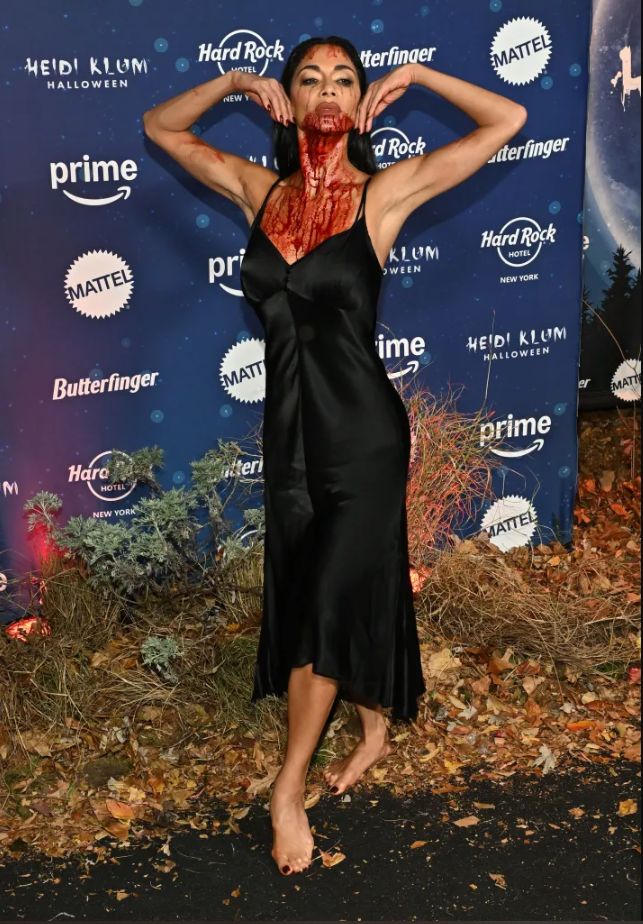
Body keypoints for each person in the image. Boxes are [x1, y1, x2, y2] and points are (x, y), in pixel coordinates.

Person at [143, 35, 527, 877]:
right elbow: (161, 127)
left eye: (343, 81)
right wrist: (232, 79)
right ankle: (373, 725)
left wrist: (419, 74)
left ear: (360, 105)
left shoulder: (383, 195)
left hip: (362, 437)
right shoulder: (259, 190)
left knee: (324, 603)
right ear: (284, 100)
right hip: (289, 437)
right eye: (308, 79)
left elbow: (507, 118)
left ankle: (287, 792)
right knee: (324, 587)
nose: (326, 91)